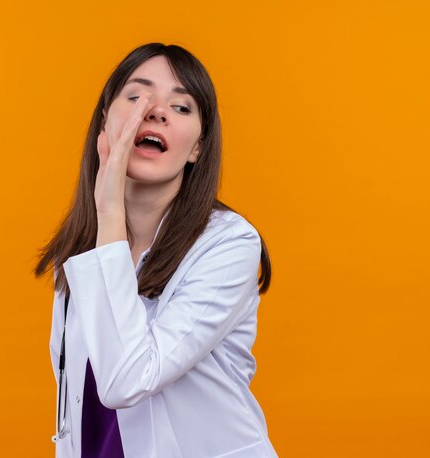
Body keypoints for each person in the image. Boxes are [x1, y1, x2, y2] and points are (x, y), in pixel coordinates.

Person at [34, 42, 279, 458]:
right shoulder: (78, 253)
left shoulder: (228, 245)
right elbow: (73, 408)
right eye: (137, 96)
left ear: (198, 148)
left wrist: (109, 209)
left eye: (181, 107)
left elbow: (126, 381)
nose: (156, 110)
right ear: (104, 126)